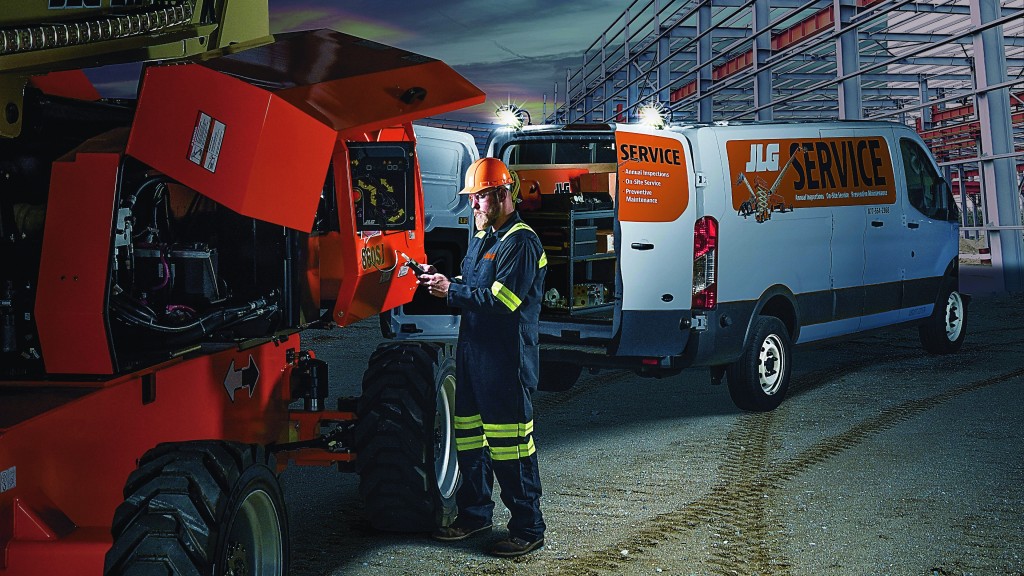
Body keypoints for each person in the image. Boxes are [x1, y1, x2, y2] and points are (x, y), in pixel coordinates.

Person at [417, 157, 548, 558]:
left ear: (503, 195)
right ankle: (475, 515)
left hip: (506, 364)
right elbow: (474, 285)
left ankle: (528, 528)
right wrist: (444, 280)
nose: (473, 206)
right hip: (474, 357)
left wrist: (451, 293)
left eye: (479, 198)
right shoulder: (484, 237)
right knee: (470, 442)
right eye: (473, 199)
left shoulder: (521, 242)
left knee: (512, 449)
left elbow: (502, 301)